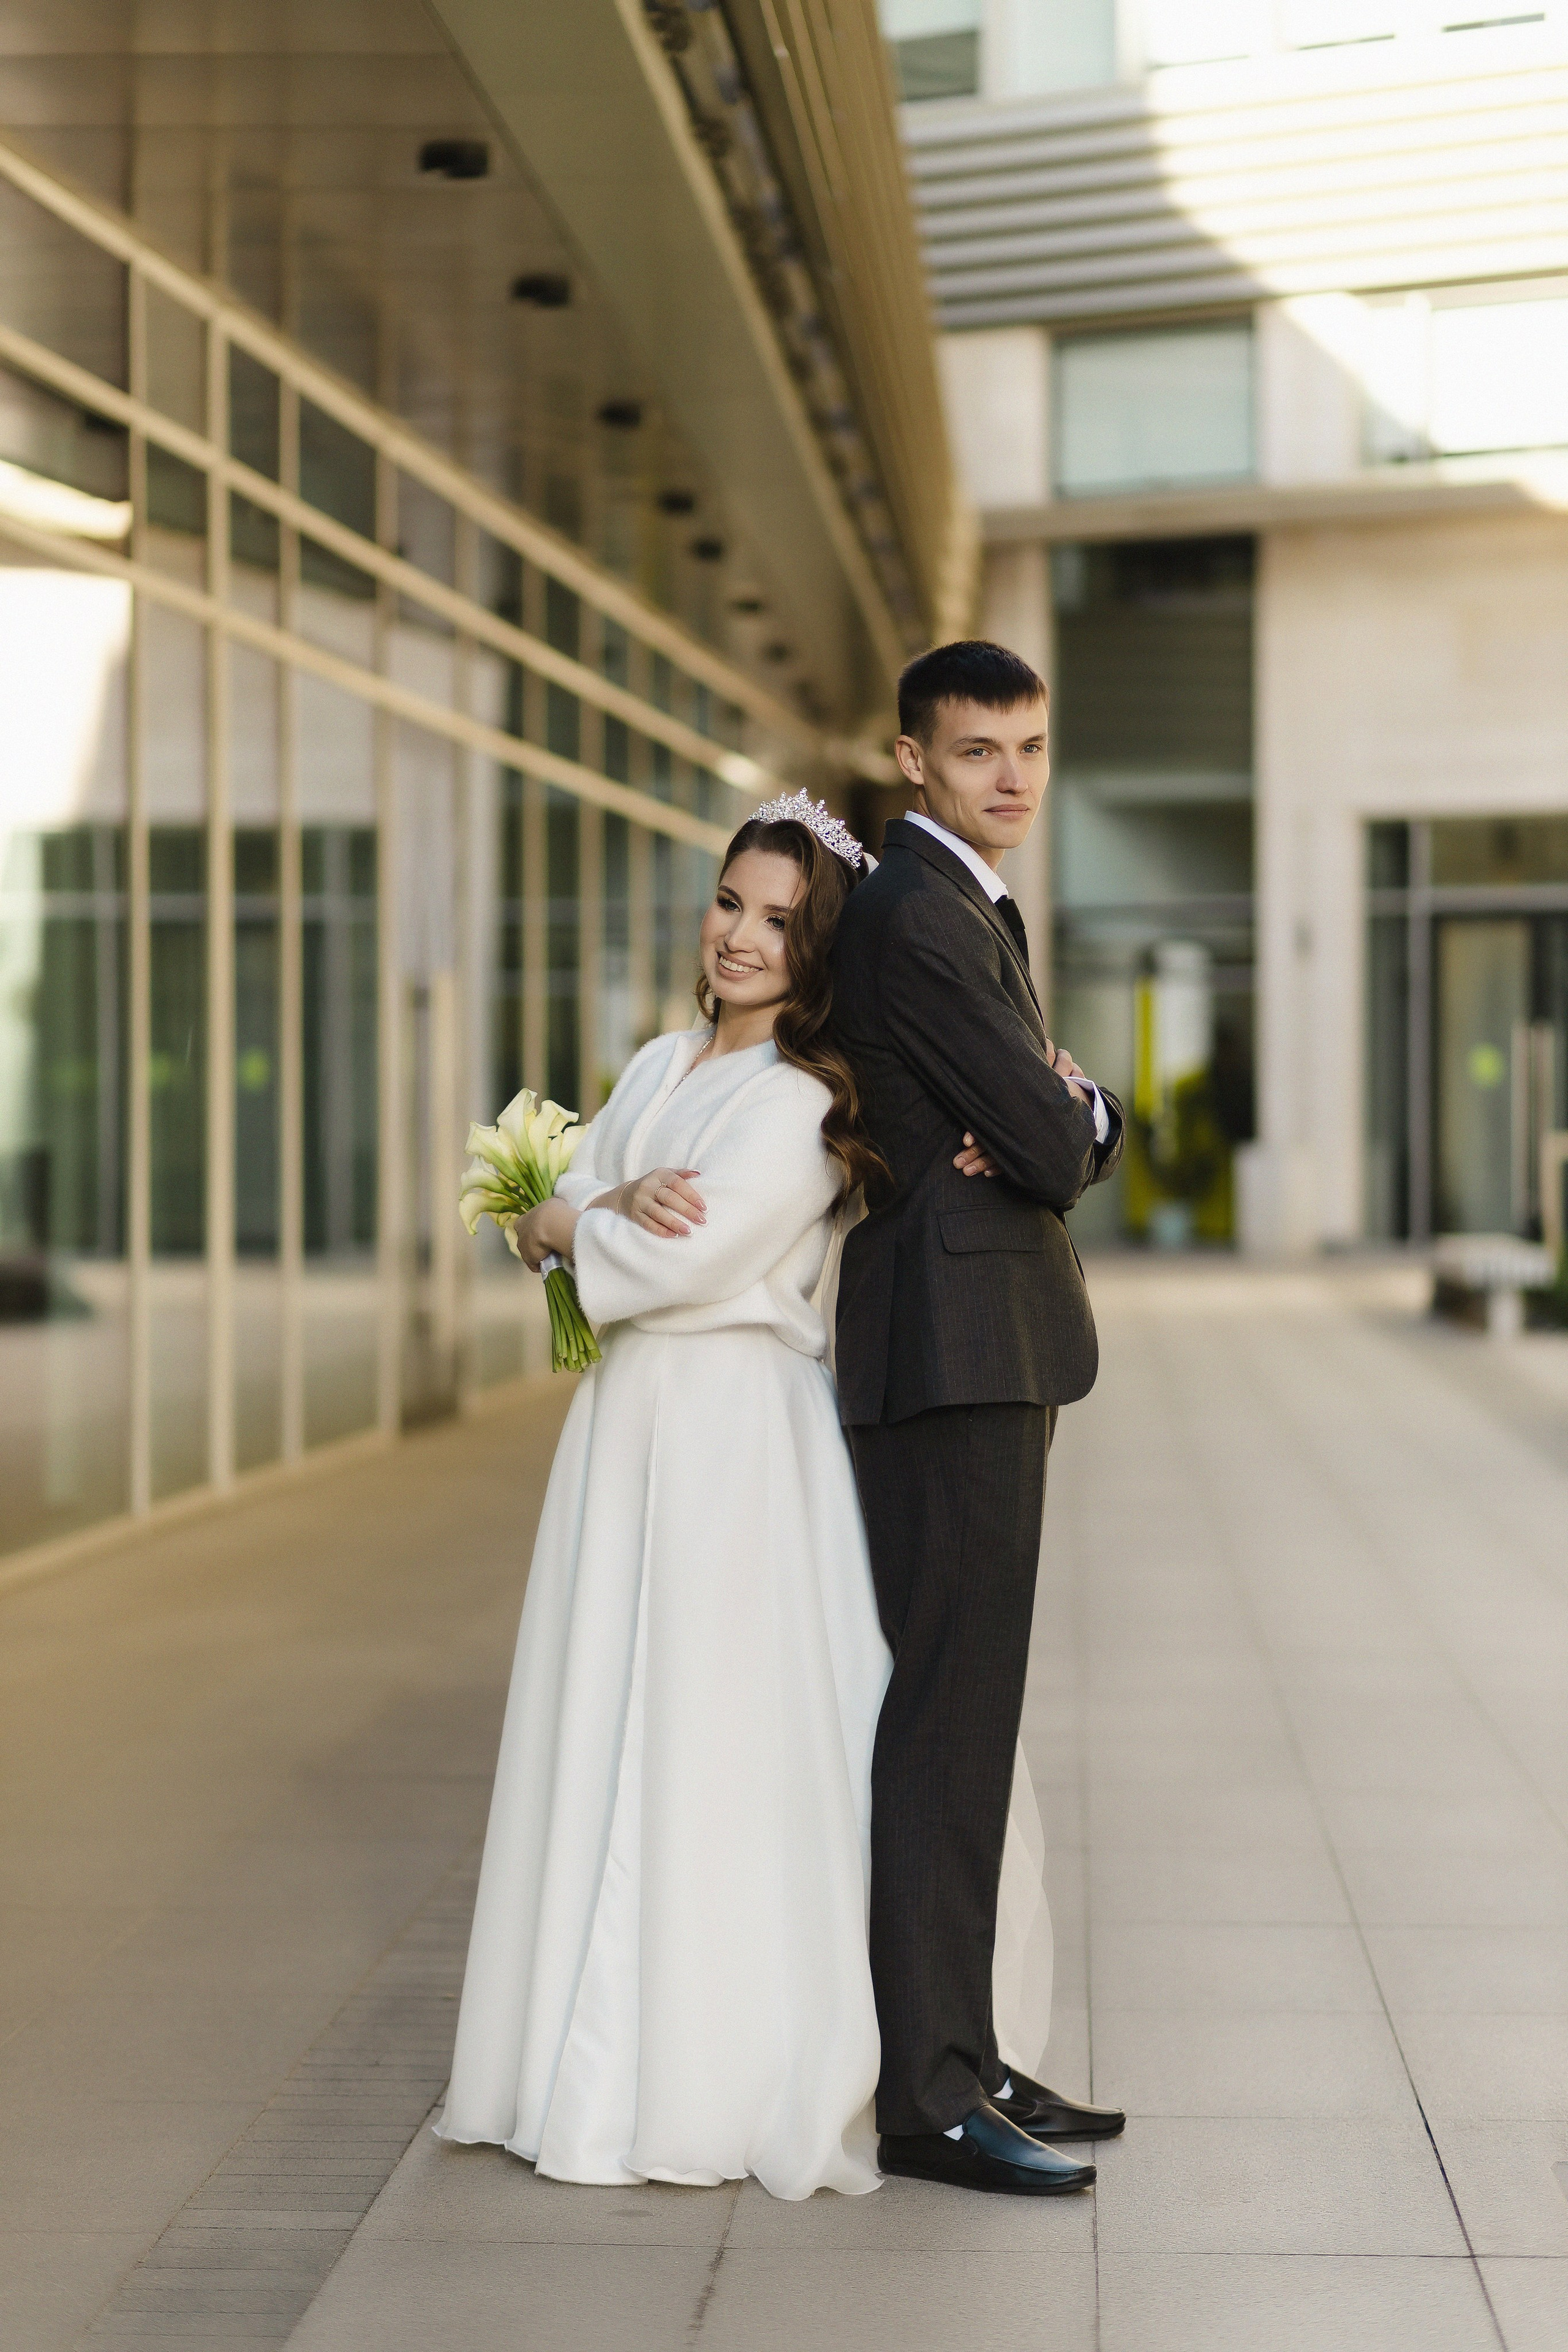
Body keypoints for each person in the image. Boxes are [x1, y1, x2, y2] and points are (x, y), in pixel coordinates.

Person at [435, 800, 895, 2199]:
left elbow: (671, 1265)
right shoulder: (652, 1061)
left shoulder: (804, 1102)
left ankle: (700, 2077)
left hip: (730, 1444)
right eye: (728, 902)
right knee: (598, 1714)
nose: (739, 936)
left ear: (814, 950)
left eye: (777, 919)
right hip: (622, 1431)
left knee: (701, 1737)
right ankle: (569, 2060)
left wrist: (581, 1222)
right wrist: (582, 1214)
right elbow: (550, 1220)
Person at [829, 638, 1128, 2196]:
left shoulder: (957, 902)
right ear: (911, 761)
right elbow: (1049, 1136)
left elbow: (1035, 1129)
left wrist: (1051, 1113)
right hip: (950, 1353)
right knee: (947, 1721)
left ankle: (966, 2044)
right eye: (975, 752)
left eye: (1026, 746)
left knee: (968, 1716)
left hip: (979, 1341)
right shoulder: (918, 915)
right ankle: (929, 2092)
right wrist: (1067, 1109)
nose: (1010, 776)